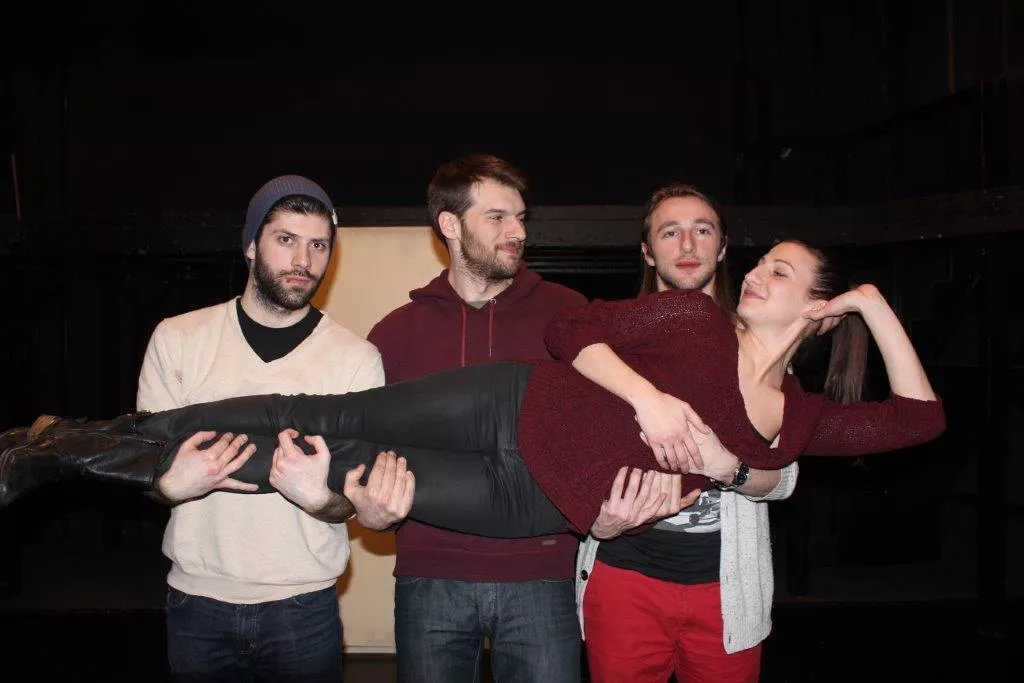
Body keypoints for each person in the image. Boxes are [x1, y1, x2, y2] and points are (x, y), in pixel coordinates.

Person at [0, 233, 946, 544]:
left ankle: (67, 451)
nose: (759, 275)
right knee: (315, 414)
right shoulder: (695, 318)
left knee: (332, 460)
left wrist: (872, 303)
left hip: (534, 500)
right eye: (764, 262)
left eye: (782, 272)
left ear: (819, 308)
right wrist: (651, 403)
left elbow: (921, 419)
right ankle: (67, 443)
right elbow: (571, 331)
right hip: (515, 401)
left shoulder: (796, 423)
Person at [131, 175, 415, 682]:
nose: (303, 260)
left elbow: (353, 499)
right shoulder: (178, 339)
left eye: (318, 245)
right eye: (286, 240)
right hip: (197, 603)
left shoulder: (356, 359)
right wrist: (169, 485)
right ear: (250, 245)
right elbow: (144, 469)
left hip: (303, 608)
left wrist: (320, 499)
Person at [366, 154, 590, 682]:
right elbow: (373, 449)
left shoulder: (569, 316)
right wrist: (368, 506)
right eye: (497, 217)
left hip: (542, 574)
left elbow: (598, 433)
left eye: (520, 218)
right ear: (450, 224)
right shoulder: (395, 334)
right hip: (430, 576)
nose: (518, 232)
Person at [576, 182, 799, 683]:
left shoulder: (760, 348)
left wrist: (731, 468)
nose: (687, 245)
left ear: (722, 248)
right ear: (647, 251)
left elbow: (786, 479)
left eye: (702, 230)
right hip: (623, 576)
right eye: (669, 232)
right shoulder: (607, 345)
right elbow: (568, 453)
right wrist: (594, 520)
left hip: (726, 589)